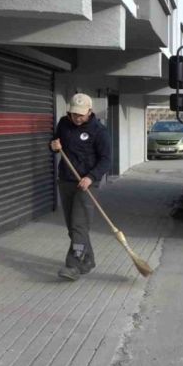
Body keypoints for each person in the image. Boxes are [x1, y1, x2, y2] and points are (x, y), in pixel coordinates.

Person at [50, 93, 112, 280]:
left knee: (78, 224)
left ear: (90, 112)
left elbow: (106, 160)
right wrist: (53, 145)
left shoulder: (99, 131)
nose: (77, 118)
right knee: (74, 227)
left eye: (81, 115)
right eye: (74, 114)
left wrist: (91, 177)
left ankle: (73, 265)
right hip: (66, 180)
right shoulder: (64, 123)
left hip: (86, 184)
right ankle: (89, 260)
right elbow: (55, 143)